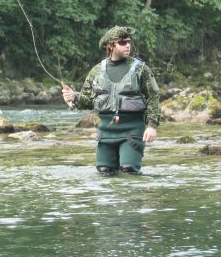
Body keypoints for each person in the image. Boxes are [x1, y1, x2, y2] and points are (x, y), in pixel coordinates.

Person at [62, 26, 160, 174]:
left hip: (132, 130)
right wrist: (73, 97)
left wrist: (152, 126)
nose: (127, 45)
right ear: (110, 46)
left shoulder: (141, 69)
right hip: (106, 131)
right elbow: (87, 100)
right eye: (122, 42)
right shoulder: (96, 71)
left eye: (128, 42)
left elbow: (153, 97)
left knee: (129, 170)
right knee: (104, 171)